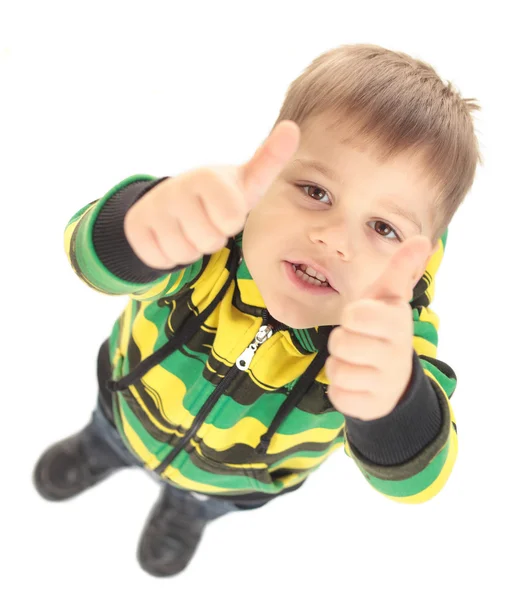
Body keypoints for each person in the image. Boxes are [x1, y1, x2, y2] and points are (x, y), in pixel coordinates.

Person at [33, 43, 481, 577]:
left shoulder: (388, 348)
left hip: (234, 482)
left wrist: (391, 405)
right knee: (110, 433)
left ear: (421, 255)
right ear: (267, 170)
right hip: (127, 409)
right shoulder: (208, 240)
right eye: (315, 190)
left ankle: (186, 512)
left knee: (204, 500)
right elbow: (88, 258)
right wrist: (138, 229)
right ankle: (98, 451)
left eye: (383, 228)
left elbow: (418, 484)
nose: (333, 239)